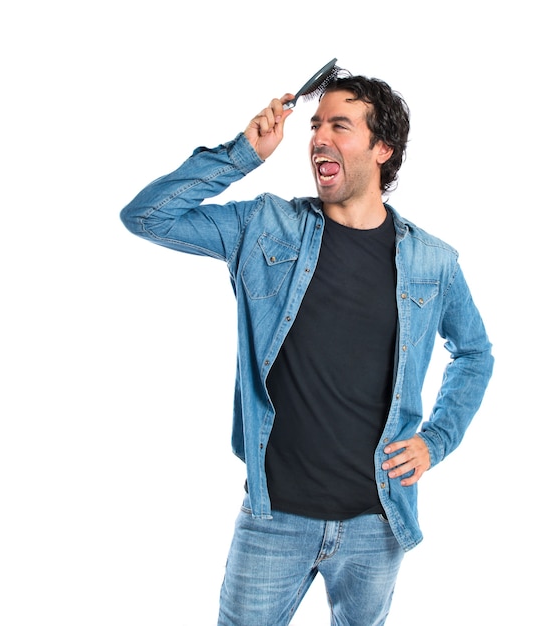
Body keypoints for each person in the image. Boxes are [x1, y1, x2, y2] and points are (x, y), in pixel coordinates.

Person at [120, 67, 494, 625]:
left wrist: (435, 441)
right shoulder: (266, 227)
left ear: (382, 148)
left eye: (340, 125)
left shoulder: (432, 262)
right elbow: (147, 216)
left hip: (378, 522)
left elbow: (475, 352)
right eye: (316, 124)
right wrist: (242, 154)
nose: (318, 136)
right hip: (274, 521)